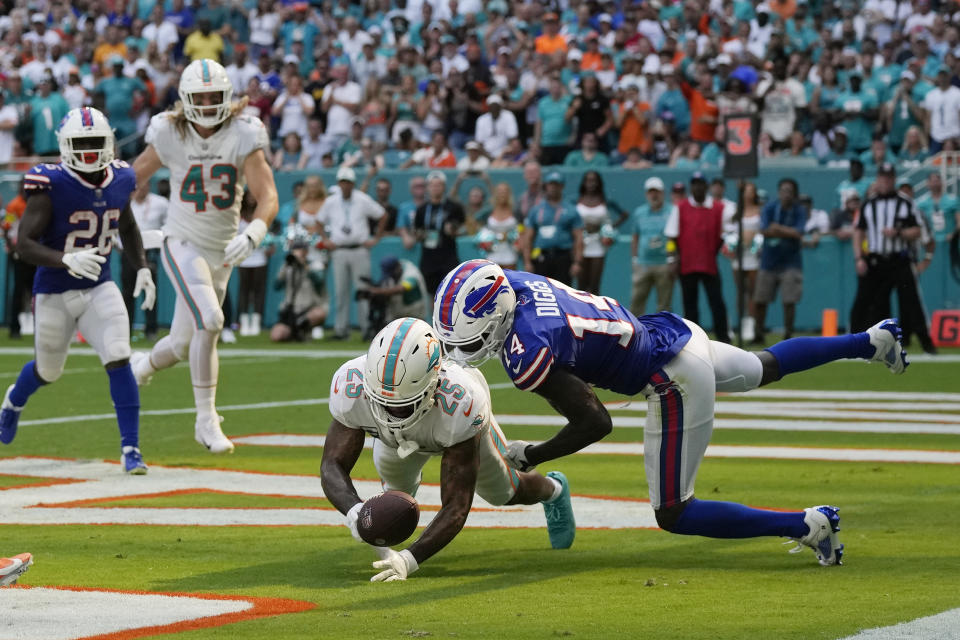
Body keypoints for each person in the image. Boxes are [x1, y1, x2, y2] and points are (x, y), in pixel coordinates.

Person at [433, 259, 911, 567]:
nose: (465, 349)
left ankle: (807, 524)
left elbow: (596, 422)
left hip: (669, 379)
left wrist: (532, 453)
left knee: (674, 512)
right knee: (764, 365)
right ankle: (872, 340)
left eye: (471, 338)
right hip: (670, 332)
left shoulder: (526, 350)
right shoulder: (510, 282)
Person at [320, 317, 576, 582]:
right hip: (393, 442)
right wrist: (354, 510)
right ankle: (387, 552)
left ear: (432, 385)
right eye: (382, 401)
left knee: (504, 492)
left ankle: (553, 490)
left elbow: (456, 505)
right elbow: (332, 464)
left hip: (447, 427)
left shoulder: (462, 403)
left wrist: (410, 560)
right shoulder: (351, 384)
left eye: (403, 405)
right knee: (394, 499)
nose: (392, 412)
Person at [130, 59, 279, 455]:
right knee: (211, 321)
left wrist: (255, 230)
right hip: (182, 242)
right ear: (185, 100)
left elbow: (267, 196)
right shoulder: (170, 132)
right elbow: (132, 179)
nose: (210, 103)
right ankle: (206, 419)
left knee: (181, 344)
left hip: (223, 248)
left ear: (228, 96)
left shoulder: (244, 133)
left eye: (216, 96)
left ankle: (141, 367)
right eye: (202, 97)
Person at [0, 107, 156, 475]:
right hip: (54, 289)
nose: (88, 150)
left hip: (99, 286)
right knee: (48, 370)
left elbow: (128, 227)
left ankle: (131, 449)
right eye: (80, 143)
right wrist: (64, 259)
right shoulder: (49, 182)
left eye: (95, 143)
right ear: (64, 146)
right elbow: (24, 243)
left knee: (119, 356)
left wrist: (143, 268)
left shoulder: (121, 177)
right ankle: (12, 403)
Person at [316, 166, 386, 341]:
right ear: (339, 184)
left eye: (348, 182)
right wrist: (325, 239)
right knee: (340, 291)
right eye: (342, 182)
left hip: (359, 249)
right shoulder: (331, 201)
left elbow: (382, 215)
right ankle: (341, 329)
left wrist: (376, 238)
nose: (345, 186)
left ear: (353, 184)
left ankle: (366, 328)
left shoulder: (362, 199)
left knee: (363, 291)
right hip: (339, 250)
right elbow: (318, 220)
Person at [664, 172, 730, 343]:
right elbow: (672, 237)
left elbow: (725, 234)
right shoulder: (681, 207)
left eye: (701, 183)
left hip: (709, 264)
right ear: (691, 187)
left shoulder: (718, 208)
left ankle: (723, 339)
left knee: (717, 303)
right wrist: (672, 260)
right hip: (687, 265)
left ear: (706, 187)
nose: (698, 187)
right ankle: (694, 340)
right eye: (695, 183)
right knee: (690, 305)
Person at [753, 178, 806, 343]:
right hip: (769, 261)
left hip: (791, 262)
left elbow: (799, 233)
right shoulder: (769, 208)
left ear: (794, 194)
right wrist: (787, 232)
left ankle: (788, 334)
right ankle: (758, 333)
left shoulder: (799, 210)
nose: (786, 195)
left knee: (789, 301)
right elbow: (763, 230)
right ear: (778, 192)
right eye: (783, 191)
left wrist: (778, 229)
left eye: (789, 191)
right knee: (760, 299)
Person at [122, 178, 167, 341]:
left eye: (145, 184)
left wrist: (159, 240)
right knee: (128, 292)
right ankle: (126, 329)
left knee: (150, 289)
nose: (141, 188)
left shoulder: (160, 203)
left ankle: (151, 329)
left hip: (149, 251)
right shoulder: (126, 202)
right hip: (127, 252)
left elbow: (169, 225)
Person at [521, 172, 582, 286]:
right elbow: (528, 237)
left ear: (562, 186)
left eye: (556, 185)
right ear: (546, 186)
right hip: (541, 256)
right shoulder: (536, 209)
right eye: (550, 184)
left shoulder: (571, 209)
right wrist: (527, 261)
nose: (553, 188)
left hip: (563, 257)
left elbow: (578, 237)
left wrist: (577, 262)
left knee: (563, 291)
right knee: (541, 290)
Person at [411, 171, 465, 296]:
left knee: (451, 292)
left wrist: (453, 231)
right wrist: (420, 235)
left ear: (444, 187)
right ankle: (435, 316)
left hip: (448, 256)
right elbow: (415, 230)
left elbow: (464, 228)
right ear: (428, 187)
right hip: (428, 257)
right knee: (432, 293)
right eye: (432, 185)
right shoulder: (422, 209)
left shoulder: (454, 207)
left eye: (438, 185)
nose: (435, 188)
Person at [271, 226, 327, 343]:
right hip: (290, 310)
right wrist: (286, 266)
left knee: (319, 313)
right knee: (276, 336)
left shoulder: (314, 264)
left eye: (300, 250)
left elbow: (319, 282)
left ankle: (304, 331)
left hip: (307, 309)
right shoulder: (288, 266)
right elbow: (276, 286)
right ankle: (295, 333)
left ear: (306, 251)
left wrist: (304, 265)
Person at [630, 177, 675, 316]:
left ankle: (663, 334)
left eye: (657, 192)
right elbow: (635, 237)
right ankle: (635, 334)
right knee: (637, 301)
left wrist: (671, 259)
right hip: (643, 263)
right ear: (646, 194)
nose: (654, 195)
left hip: (664, 263)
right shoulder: (639, 212)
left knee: (664, 304)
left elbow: (673, 237)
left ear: (663, 193)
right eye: (651, 192)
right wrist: (635, 259)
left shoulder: (672, 211)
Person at [575, 170, 623, 294]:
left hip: (598, 244)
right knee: (581, 284)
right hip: (581, 243)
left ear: (599, 183)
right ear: (584, 183)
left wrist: (608, 231)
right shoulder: (577, 200)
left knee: (594, 284)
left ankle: (595, 313)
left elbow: (624, 215)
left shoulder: (605, 200)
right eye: (588, 180)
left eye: (594, 180)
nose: (591, 184)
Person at [360, 256, 429, 332]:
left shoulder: (411, 273)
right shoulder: (393, 272)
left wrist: (377, 291)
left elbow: (401, 289)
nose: (391, 275)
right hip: (397, 316)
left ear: (397, 268)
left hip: (415, 315)